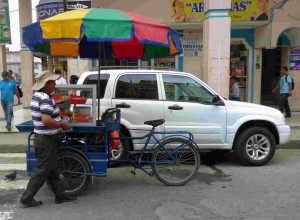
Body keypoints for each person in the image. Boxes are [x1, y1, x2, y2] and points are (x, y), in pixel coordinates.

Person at [20, 71, 75, 208]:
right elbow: (46, 121)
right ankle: (26, 198)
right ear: (46, 84)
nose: (55, 84)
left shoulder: (38, 96)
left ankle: (60, 195)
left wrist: (59, 118)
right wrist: (62, 124)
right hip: (46, 139)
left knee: (52, 170)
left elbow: (48, 117)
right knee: (42, 171)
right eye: (52, 82)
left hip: (44, 138)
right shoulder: (44, 98)